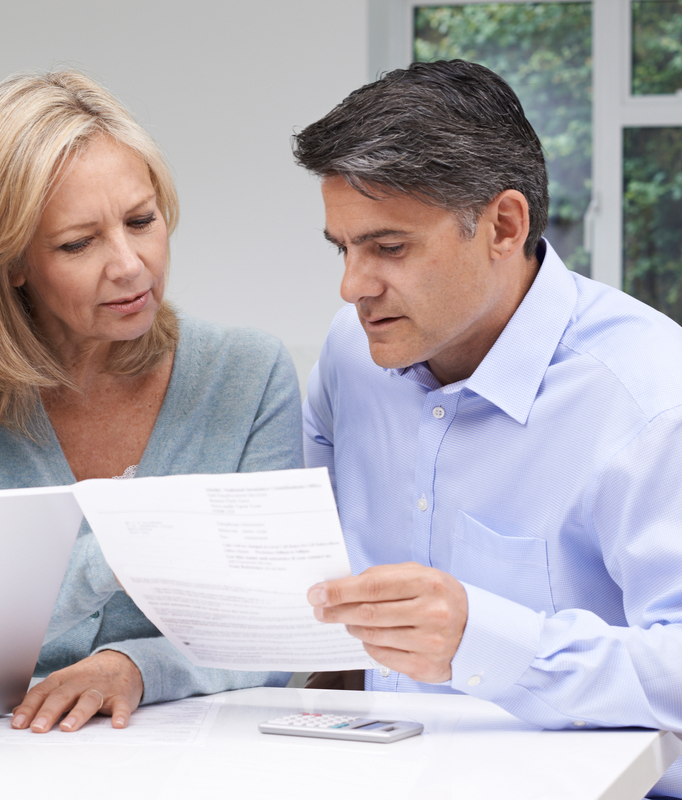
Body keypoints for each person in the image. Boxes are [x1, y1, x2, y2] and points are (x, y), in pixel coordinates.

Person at [293, 60, 682, 797]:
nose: (351, 287)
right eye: (340, 248)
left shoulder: (652, 402)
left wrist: (489, 639)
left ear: (504, 225)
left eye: (388, 247)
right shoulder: (350, 354)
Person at [0, 70, 302, 735]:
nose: (131, 265)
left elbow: (275, 631)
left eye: (142, 220)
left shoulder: (249, 374)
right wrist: (122, 548)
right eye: (78, 243)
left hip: (188, 759)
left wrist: (134, 668)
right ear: (12, 261)